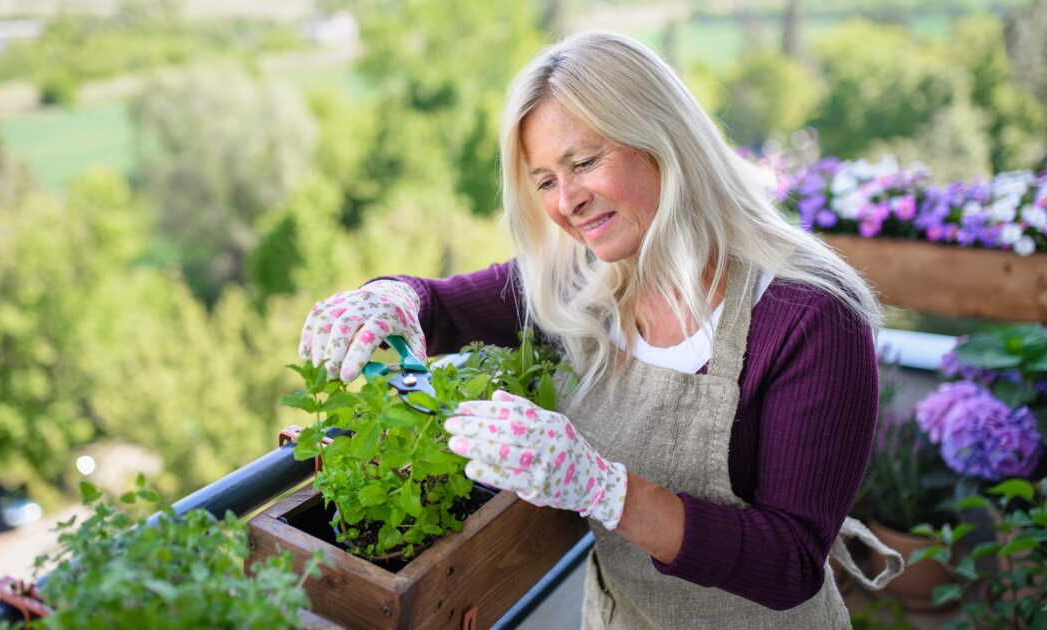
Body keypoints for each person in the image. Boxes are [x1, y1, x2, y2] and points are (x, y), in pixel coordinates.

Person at [299, 31, 903, 629]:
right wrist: (388, 299)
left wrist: (604, 489)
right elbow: (443, 307)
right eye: (544, 182)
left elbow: (789, 563)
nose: (566, 203)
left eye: (584, 163)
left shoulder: (811, 315)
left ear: (665, 141)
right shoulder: (586, 279)